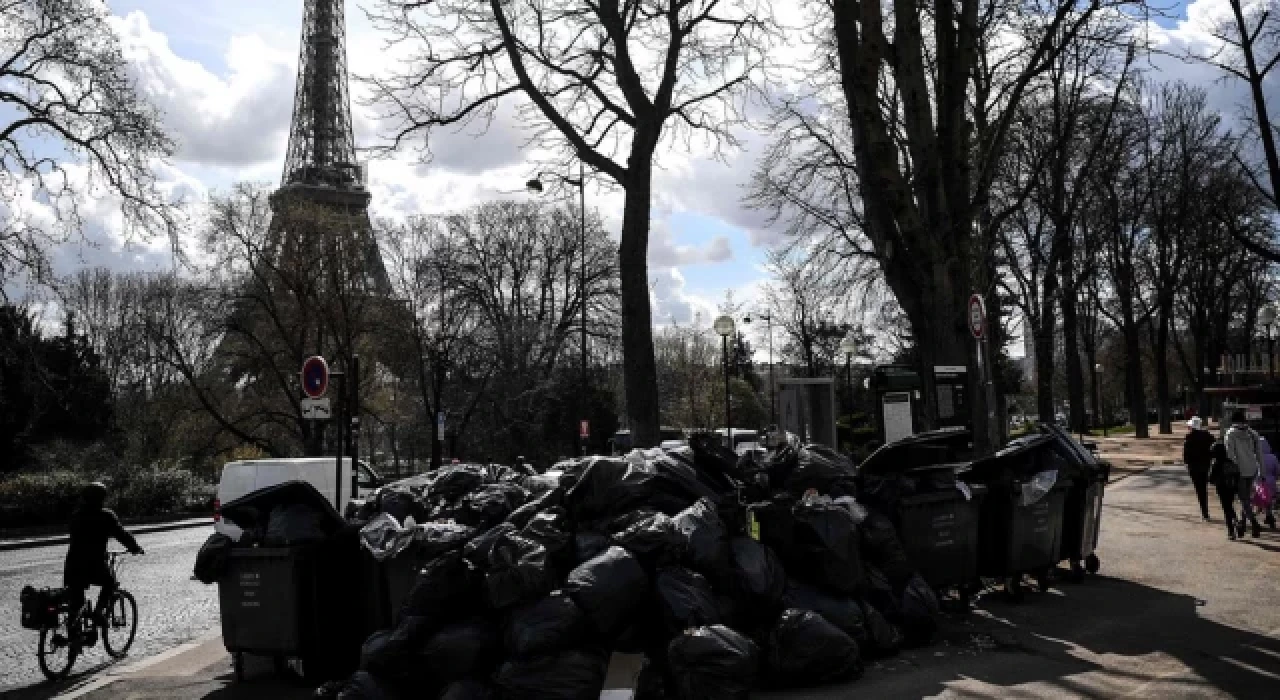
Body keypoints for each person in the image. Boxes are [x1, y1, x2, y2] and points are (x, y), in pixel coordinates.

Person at [63, 482, 143, 638]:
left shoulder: (76, 514)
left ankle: (73, 639)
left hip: (73, 564)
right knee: (110, 583)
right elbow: (121, 534)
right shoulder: (106, 515)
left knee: (75, 602)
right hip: (93, 563)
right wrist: (134, 547)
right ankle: (99, 612)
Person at [1224, 410, 1265, 538]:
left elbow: (1230, 455)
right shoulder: (1253, 433)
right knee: (1247, 499)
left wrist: (1237, 464)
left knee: (1244, 499)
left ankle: (1253, 523)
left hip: (1240, 471)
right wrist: (1262, 471)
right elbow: (1259, 454)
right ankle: (1242, 523)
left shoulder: (1230, 434)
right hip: (1253, 469)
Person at [1182, 417, 1215, 520]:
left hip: (1194, 467)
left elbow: (1186, 455)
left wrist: (1187, 463)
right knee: (1203, 488)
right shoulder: (1208, 436)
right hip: (1205, 465)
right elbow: (1213, 450)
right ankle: (1205, 511)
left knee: (1199, 489)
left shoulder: (1189, 438)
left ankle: (1204, 512)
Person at [1209, 441, 1240, 540]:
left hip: (1222, 488)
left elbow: (1210, 478)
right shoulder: (1230, 461)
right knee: (1229, 505)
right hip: (1232, 488)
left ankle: (1231, 531)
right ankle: (1235, 520)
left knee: (1226, 509)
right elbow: (1237, 474)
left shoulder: (1216, 463)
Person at [1260, 436, 1279, 529]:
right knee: (1269, 501)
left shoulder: (1255, 457)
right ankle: (1269, 515)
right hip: (1271, 481)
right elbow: (1277, 470)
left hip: (1259, 481)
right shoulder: (1273, 457)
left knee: (1260, 501)